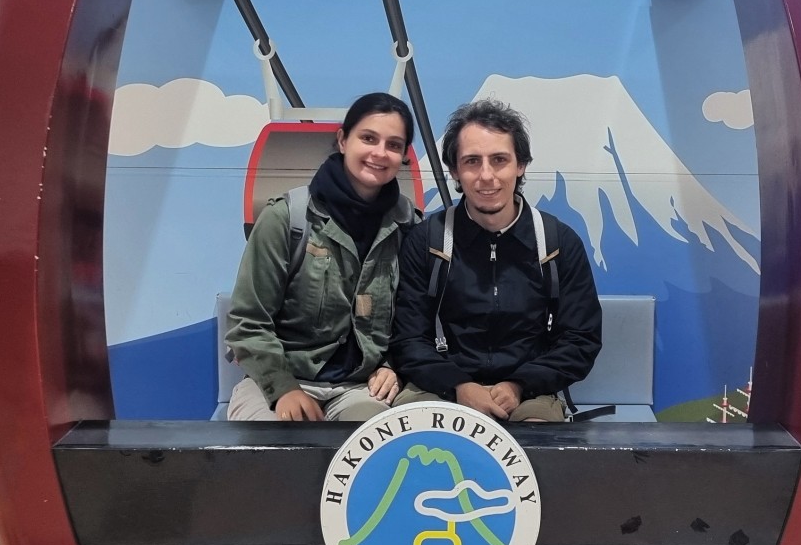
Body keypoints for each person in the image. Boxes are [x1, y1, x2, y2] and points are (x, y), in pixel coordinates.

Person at [391, 97, 602, 421]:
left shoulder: (558, 243)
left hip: (528, 392)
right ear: (455, 171)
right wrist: (458, 385)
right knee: (412, 436)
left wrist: (519, 384)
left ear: (521, 166)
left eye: (499, 160)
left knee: (537, 443)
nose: (486, 176)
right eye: (472, 161)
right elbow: (408, 338)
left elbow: (580, 339)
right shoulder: (428, 241)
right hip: (438, 386)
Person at [225, 92, 417, 422]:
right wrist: (283, 388)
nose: (379, 153)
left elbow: (414, 320)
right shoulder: (287, 218)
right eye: (368, 138)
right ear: (343, 140)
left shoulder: (409, 226)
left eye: (394, 144)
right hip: (279, 379)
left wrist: (392, 367)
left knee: (372, 442)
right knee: (272, 446)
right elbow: (248, 324)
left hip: (359, 387)